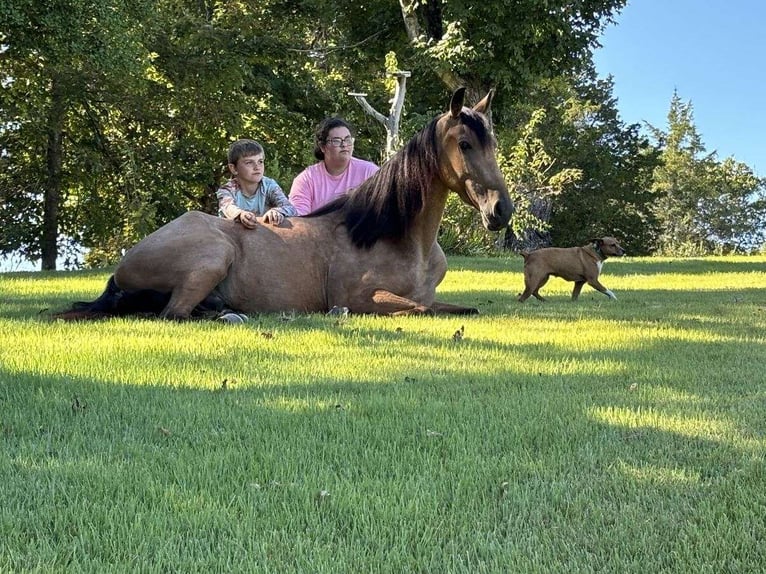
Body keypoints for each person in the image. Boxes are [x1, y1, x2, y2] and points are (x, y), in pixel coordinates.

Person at [288, 117, 379, 215]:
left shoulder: (370, 173)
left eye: (348, 140)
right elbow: (299, 219)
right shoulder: (306, 179)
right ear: (323, 147)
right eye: (336, 141)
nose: (344, 145)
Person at [216, 139, 297, 229]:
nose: (257, 167)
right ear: (233, 168)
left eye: (260, 161)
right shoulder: (227, 190)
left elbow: (290, 208)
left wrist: (278, 211)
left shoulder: (269, 185)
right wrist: (241, 215)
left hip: (263, 235)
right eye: (249, 162)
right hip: (234, 236)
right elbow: (227, 207)